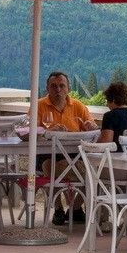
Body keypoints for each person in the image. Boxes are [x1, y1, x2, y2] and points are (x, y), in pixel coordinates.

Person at [36, 71, 97, 225]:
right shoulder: (39, 106)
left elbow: (92, 126)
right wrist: (48, 131)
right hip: (47, 155)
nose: (58, 90)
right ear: (47, 88)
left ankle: (75, 208)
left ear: (68, 88)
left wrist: (90, 125)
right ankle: (58, 208)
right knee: (48, 167)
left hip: (75, 155)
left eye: (62, 86)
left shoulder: (78, 106)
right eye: (54, 86)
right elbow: (30, 129)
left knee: (94, 173)